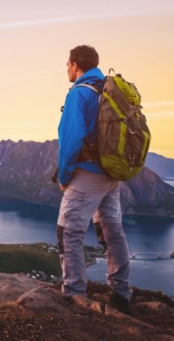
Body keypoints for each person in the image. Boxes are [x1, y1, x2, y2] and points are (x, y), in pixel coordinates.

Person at [56, 44, 132, 314]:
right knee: (111, 230)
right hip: (112, 175)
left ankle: (74, 294)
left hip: (88, 174)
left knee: (69, 232)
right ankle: (121, 292)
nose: (66, 68)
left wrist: (64, 177)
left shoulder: (80, 93)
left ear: (76, 64)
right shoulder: (110, 91)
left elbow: (71, 140)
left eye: (67, 64)